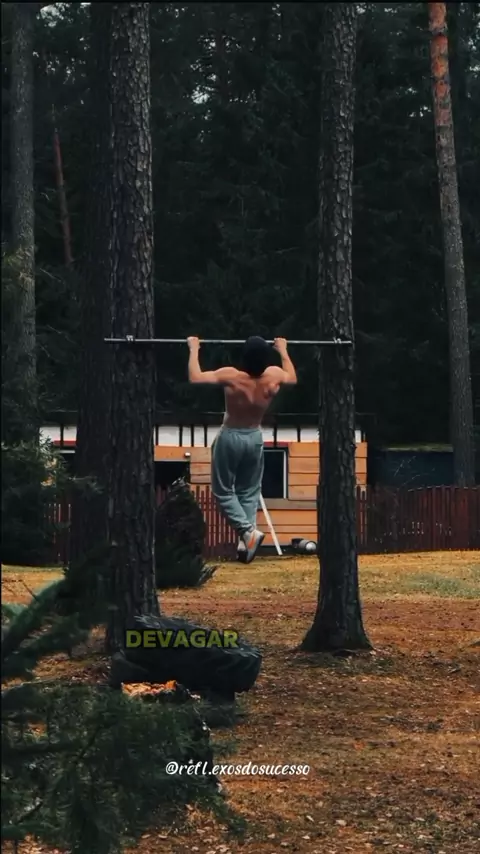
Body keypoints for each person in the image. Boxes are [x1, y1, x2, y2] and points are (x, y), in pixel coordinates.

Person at [187, 335, 297, 563]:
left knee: (223, 491)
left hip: (231, 435)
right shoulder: (274, 375)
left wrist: (194, 348)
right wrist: (283, 350)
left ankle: (247, 532)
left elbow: (195, 377)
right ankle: (246, 543)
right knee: (249, 491)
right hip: (254, 436)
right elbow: (292, 378)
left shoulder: (232, 376)